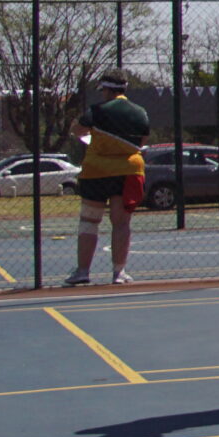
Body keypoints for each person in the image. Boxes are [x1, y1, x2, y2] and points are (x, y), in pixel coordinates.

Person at [64, 71, 150, 286]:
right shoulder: (140, 112)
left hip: (97, 171)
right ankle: (119, 272)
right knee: (121, 223)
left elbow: (77, 130)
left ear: (106, 89)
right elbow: (142, 140)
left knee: (89, 221)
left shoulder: (97, 110)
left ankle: (83, 271)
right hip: (128, 170)